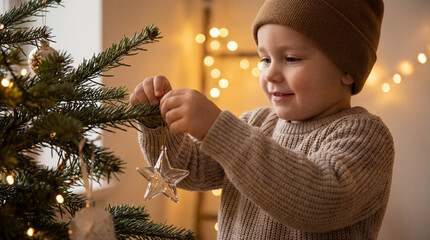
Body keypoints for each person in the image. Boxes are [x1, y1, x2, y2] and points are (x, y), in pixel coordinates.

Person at [130, 0, 394, 239]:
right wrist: (156, 124)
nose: (270, 74)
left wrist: (217, 129)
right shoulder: (255, 123)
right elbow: (188, 170)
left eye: (291, 58)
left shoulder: (365, 136)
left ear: (347, 68)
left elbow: (319, 201)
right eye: (265, 59)